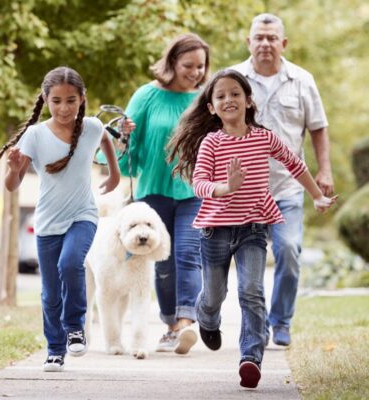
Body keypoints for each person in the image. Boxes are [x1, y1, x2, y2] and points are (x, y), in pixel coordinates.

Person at [168, 69, 336, 388]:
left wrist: (316, 196)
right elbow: (200, 182)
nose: (228, 99)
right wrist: (225, 187)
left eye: (235, 94)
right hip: (215, 230)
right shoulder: (211, 142)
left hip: (253, 229)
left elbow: (294, 163)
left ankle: (250, 357)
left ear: (248, 100)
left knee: (251, 291)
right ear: (211, 108)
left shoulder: (264, 137)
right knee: (214, 294)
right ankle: (207, 318)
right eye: (220, 96)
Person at [0, 66, 134, 373]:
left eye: (71, 100)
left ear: (82, 99)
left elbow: (108, 141)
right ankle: (55, 349)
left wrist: (115, 172)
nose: (64, 108)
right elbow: (12, 186)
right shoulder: (35, 135)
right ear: (45, 99)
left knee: (71, 264)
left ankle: (76, 327)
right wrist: (14, 169)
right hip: (47, 223)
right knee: (50, 293)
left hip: (83, 215)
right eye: (56, 101)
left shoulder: (92, 127)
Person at [230, 13, 334, 347]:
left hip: (289, 186)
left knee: (289, 250)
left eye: (271, 38)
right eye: (258, 37)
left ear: (283, 43)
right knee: (249, 265)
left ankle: (281, 320)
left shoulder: (302, 80)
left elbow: (318, 126)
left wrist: (324, 170)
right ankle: (255, 327)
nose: (264, 43)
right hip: (246, 190)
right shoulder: (233, 80)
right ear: (248, 42)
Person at [121, 33, 209, 355]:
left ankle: (186, 322)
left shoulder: (204, 100)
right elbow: (125, 145)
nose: (196, 72)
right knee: (164, 261)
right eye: (189, 65)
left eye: (201, 66)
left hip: (193, 191)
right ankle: (170, 324)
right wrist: (123, 137)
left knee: (188, 253)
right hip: (154, 191)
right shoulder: (146, 96)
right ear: (172, 62)